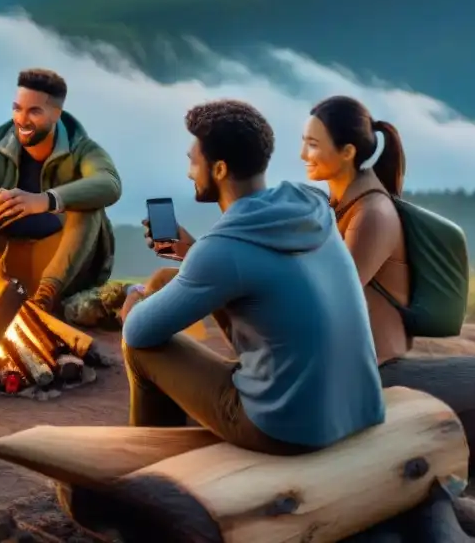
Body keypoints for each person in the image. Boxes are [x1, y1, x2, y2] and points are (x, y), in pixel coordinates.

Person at [120, 99, 385, 454]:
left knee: (140, 346)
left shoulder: (222, 251)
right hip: (359, 407)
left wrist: (135, 298)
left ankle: (147, 465)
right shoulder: (309, 202)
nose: (188, 173)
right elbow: (254, 269)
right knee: (170, 279)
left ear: (219, 170)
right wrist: (191, 253)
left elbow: (137, 332)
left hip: (286, 428)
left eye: (192, 162)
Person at [0, 68, 122, 326]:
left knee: (88, 204)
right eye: (17, 108)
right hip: (6, 262)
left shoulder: (82, 149)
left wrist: (45, 200)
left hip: (59, 266)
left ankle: (44, 300)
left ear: (56, 114)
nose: (22, 119)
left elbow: (109, 183)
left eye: (34, 111)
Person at [301, 95, 410, 365]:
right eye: (304, 142)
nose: (303, 155)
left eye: (312, 145)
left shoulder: (372, 214)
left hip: (372, 364)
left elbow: (333, 293)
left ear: (347, 152)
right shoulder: (337, 205)